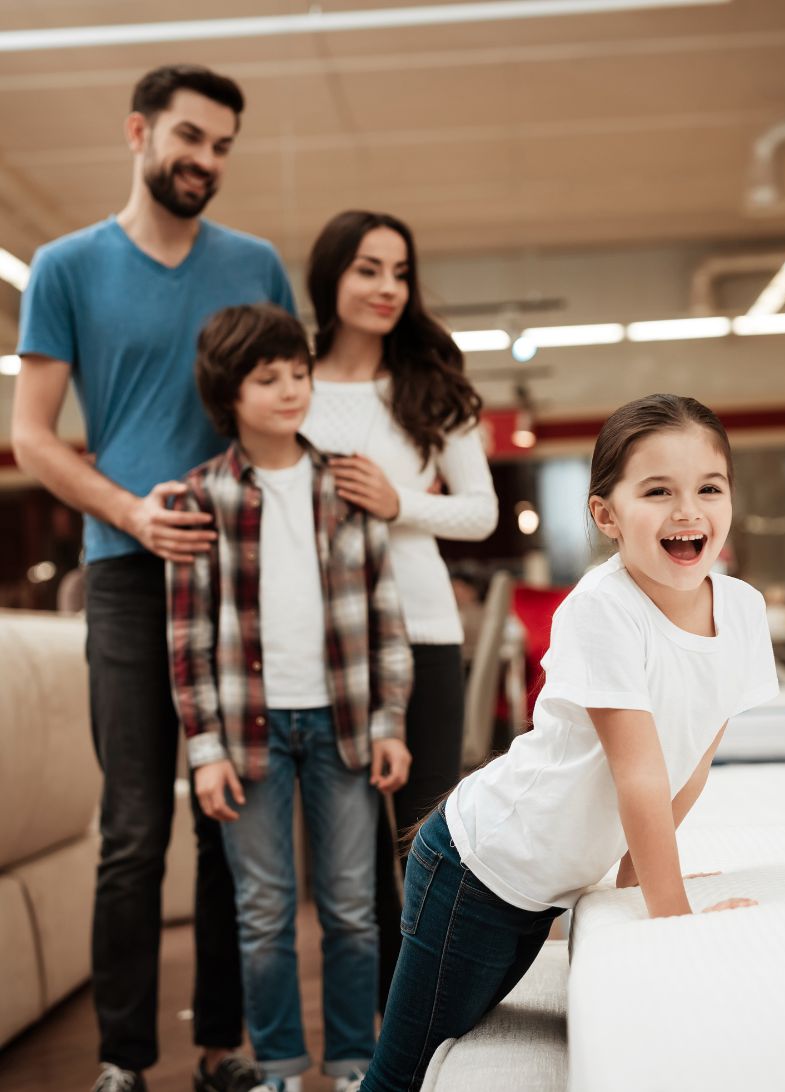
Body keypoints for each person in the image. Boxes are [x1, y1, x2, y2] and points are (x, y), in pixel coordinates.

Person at [360, 393, 781, 1092]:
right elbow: (638, 775)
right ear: (605, 515)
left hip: (545, 882)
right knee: (403, 1077)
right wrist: (673, 919)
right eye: (657, 491)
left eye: (709, 487)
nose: (688, 510)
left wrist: (638, 883)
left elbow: (690, 760)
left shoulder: (742, 609)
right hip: (479, 869)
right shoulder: (602, 607)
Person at [11, 65, 296, 1092]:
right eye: (189, 137)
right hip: (128, 575)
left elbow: (289, 412)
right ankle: (125, 1062)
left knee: (234, 821)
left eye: (222, 146)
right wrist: (132, 510)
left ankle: (224, 1050)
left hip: (241, 574)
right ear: (137, 133)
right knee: (135, 828)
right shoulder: (66, 267)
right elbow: (31, 437)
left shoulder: (258, 263)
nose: (205, 161)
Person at [167, 303, 414, 1092]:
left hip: (343, 723)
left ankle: (350, 1064)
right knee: (264, 915)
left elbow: (385, 618)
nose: (289, 390)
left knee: (350, 908)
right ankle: (276, 1068)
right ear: (228, 396)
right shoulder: (198, 497)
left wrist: (390, 723)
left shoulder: (347, 484)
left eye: (298, 374)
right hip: (247, 734)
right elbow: (188, 643)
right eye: (267, 379)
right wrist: (204, 753)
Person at [300, 210, 498, 1001]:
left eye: (400, 271)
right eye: (367, 269)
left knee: (425, 838)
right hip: (325, 643)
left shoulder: (432, 386)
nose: (387, 287)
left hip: (424, 633)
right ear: (331, 277)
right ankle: (374, 1024)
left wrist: (398, 502)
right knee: (349, 855)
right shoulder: (292, 384)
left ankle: (429, 1009)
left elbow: (479, 511)